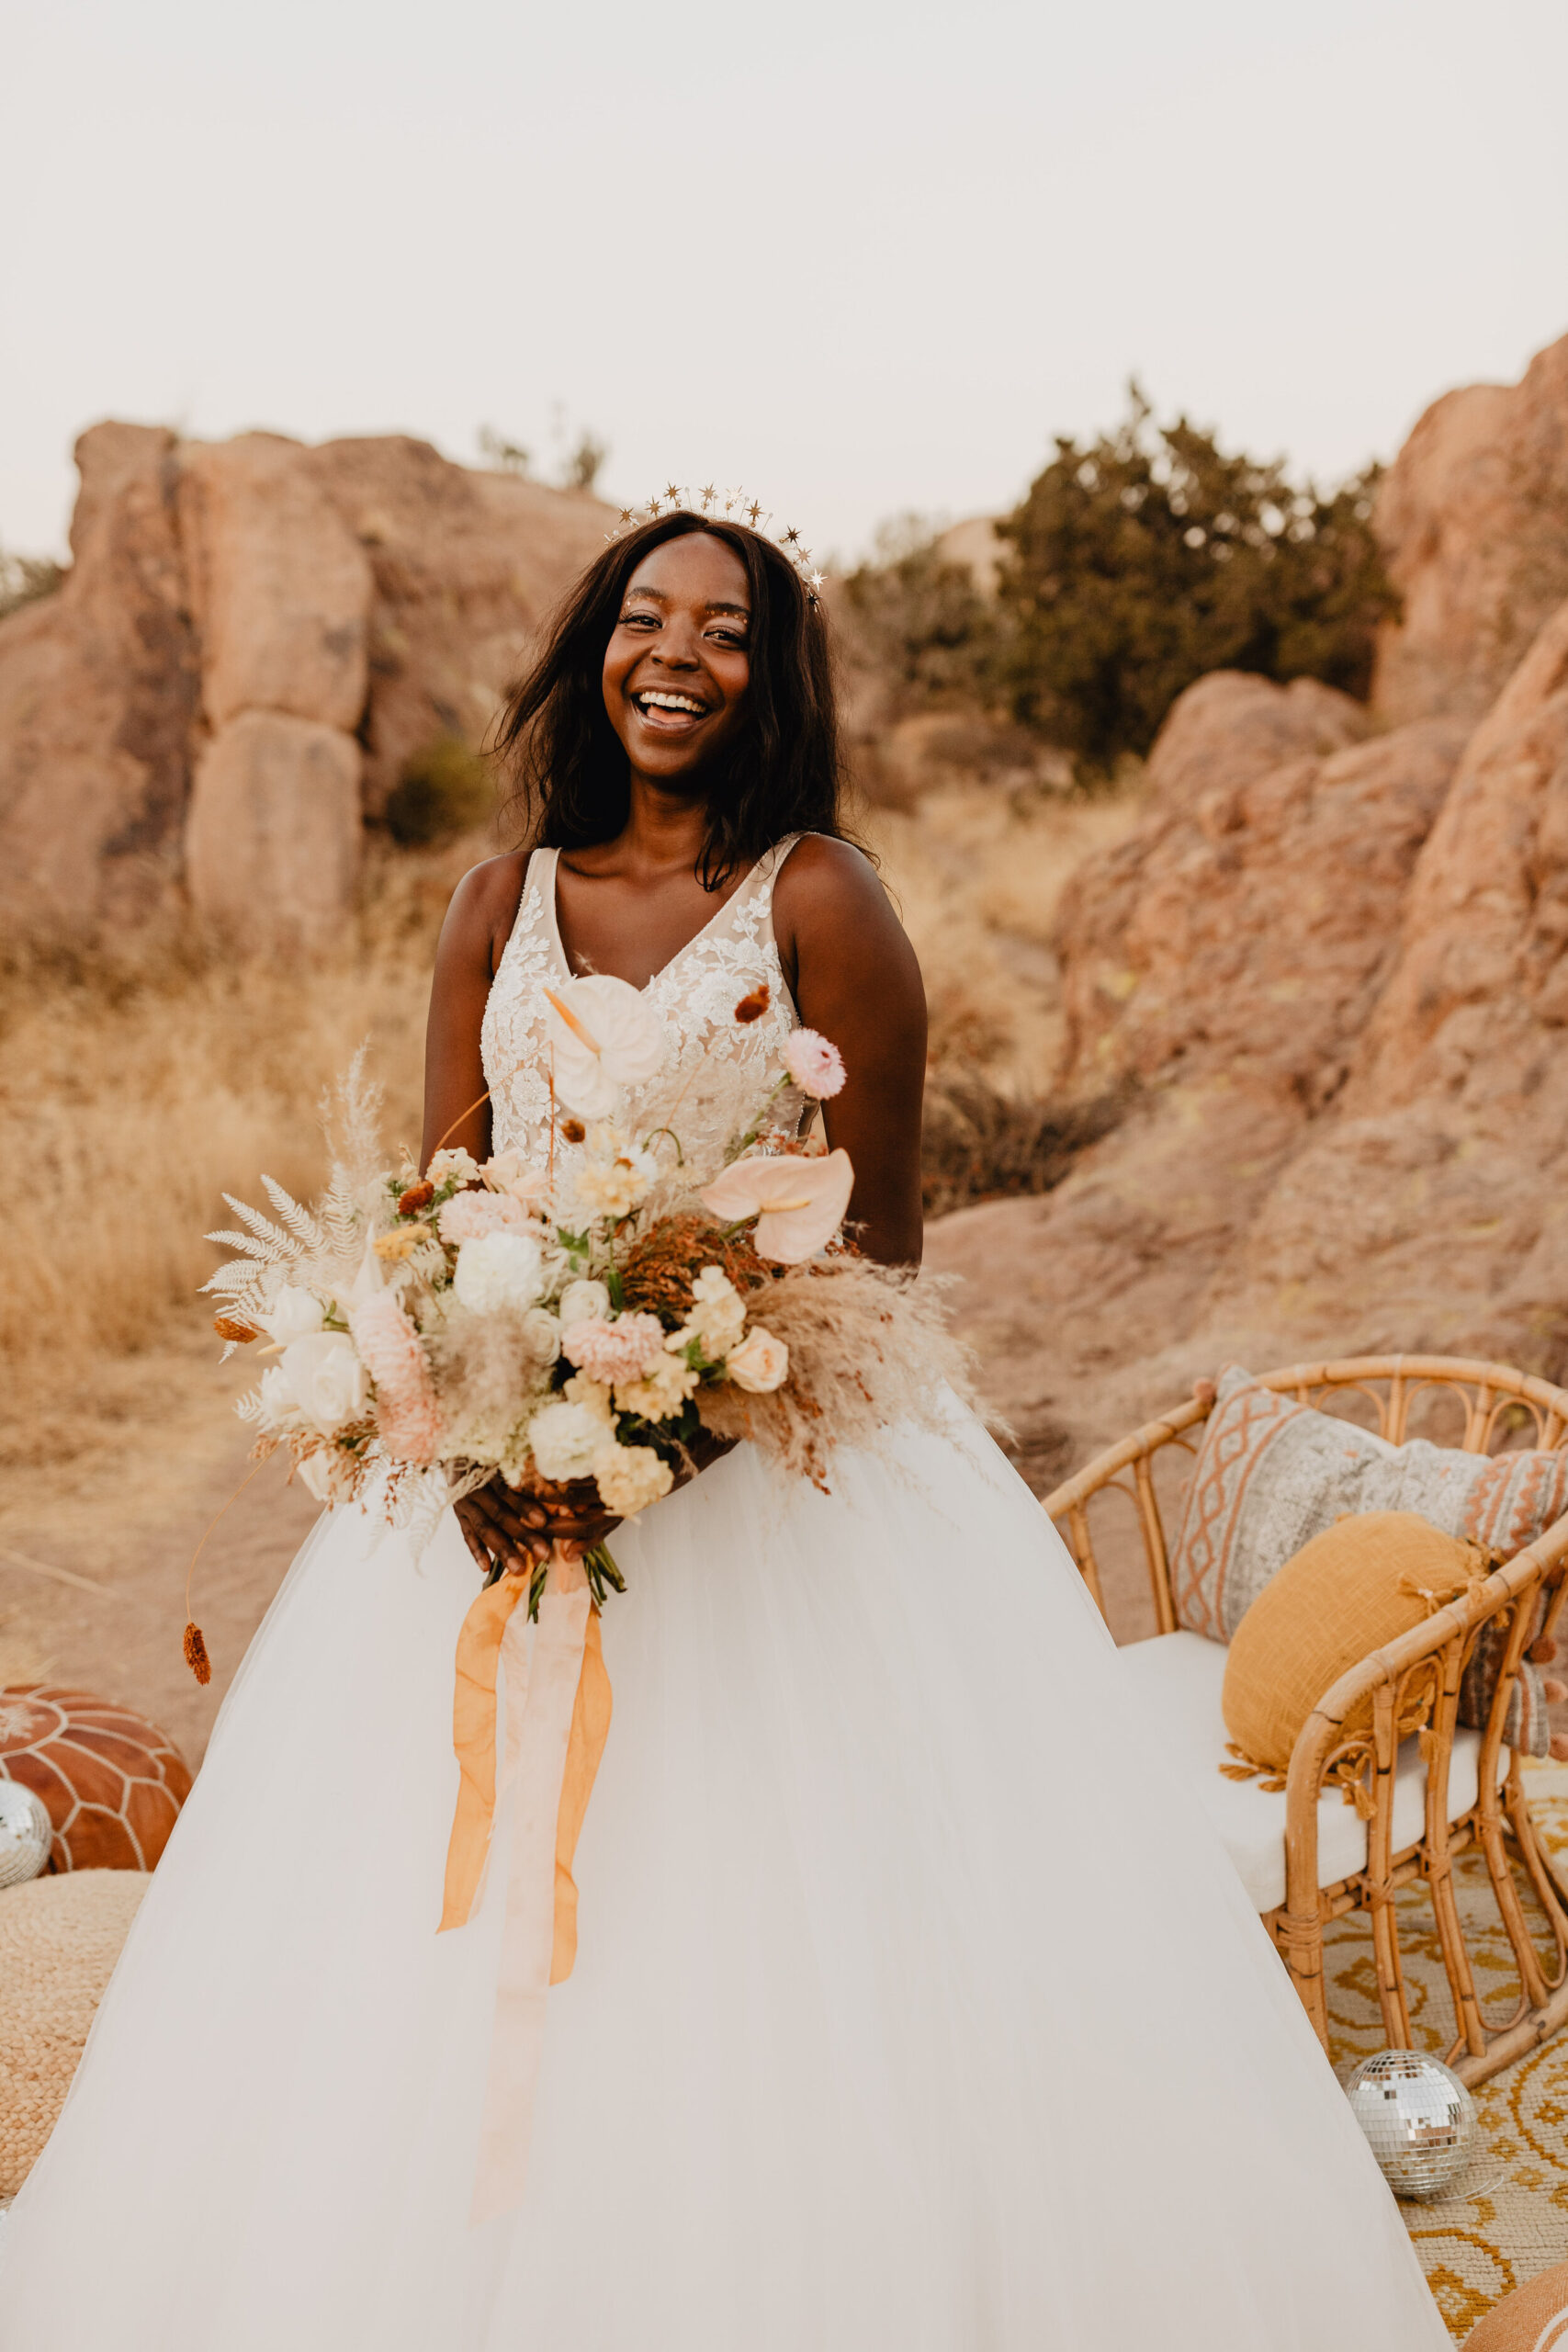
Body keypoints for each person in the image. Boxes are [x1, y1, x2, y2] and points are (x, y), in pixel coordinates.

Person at [0, 505, 1448, 2349]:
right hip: (493, 1499)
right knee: (416, 1967)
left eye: (726, 628)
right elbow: (442, 1210)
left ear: (775, 674)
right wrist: (469, 1439)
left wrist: (669, 1431)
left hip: (783, 1509)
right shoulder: (491, 898)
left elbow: (880, 1247)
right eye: (643, 614)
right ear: (593, 646)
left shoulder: (819, 897)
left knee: (761, 1955)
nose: (675, 651)